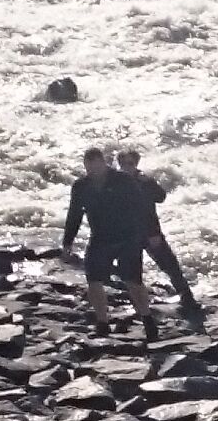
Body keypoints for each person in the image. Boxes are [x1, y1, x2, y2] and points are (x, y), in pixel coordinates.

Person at [60, 144, 161, 338]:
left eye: (96, 168)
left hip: (128, 237)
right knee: (93, 280)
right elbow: (74, 215)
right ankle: (102, 322)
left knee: (133, 280)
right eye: (89, 169)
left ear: (104, 163)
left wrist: (151, 233)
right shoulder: (81, 186)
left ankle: (148, 319)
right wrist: (67, 243)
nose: (93, 172)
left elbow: (142, 207)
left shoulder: (123, 180)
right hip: (100, 237)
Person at [113, 146, 203, 328]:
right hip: (127, 236)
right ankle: (140, 308)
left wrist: (153, 233)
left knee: (170, 265)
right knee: (131, 273)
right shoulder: (116, 182)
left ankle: (187, 298)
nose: (125, 167)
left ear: (136, 164)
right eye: (122, 163)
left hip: (149, 232)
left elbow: (160, 198)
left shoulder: (144, 181)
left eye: (129, 163)